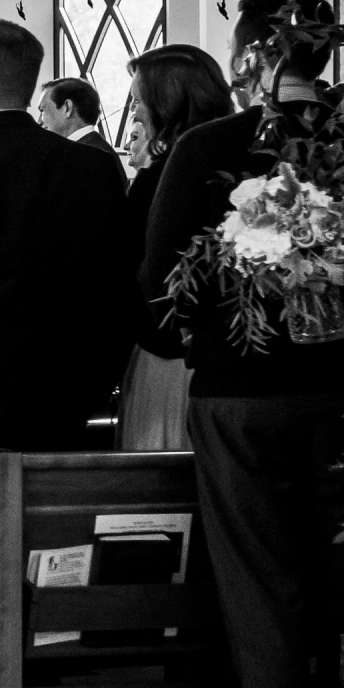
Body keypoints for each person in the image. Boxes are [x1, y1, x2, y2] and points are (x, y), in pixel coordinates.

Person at [146, 0, 344, 688]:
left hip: (242, 400)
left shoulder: (210, 147)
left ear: (252, 51)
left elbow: (157, 291)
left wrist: (208, 338)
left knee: (262, 600)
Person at [0, 19, 138, 565]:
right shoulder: (90, 170)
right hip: (55, 392)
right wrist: (91, 384)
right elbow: (113, 285)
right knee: (43, 550)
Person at [116, 44, 231, 450]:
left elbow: (138, 268)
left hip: (170, 358)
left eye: (138, 102)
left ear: (167, 105)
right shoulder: (241, 162)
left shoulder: (163, 179)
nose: (134, 114)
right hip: (229, 355)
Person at [39, 76, 126, 186]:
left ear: (67, 108)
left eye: (42, 110)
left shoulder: (84, 157)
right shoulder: (98, 150)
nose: (39, 121)